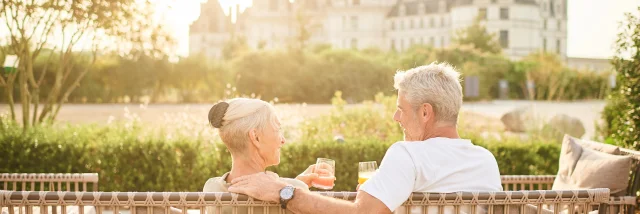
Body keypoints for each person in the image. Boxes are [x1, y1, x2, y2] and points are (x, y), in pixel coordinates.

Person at [228, 62, 503, 214]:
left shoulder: (408, 154)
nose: (396, 118)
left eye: (401, 109)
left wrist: (284, 193)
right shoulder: (485, 160)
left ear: (425, 113)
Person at [204, 98, 332, 213]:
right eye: (277, 129)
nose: (283, 140)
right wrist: (294, 186)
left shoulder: (211, 188)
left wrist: (294, 184)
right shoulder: (296, 192)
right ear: (256, 137)